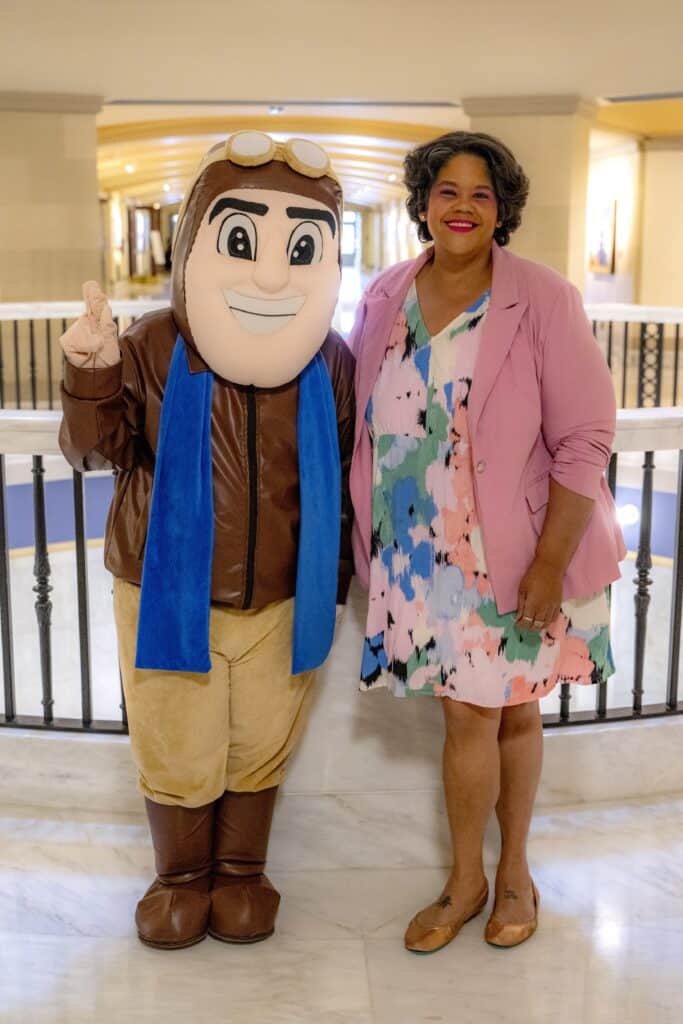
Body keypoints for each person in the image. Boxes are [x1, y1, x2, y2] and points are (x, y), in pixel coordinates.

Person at [58, 132, 354, 950]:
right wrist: (92, 374)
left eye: (297, 247)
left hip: (281, 595)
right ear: (196, 241)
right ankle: (182, 876)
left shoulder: (330, 360)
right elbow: (94, 451)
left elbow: (343, 470)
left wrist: (329, 585)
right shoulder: (154, 344)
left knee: (260, 744)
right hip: (166, 589)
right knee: (176, 742)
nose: (268, 274)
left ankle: (242, 873)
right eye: (239, 240)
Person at [348, 131, 625, 952]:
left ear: (500, 210)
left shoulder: (542, 297)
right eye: (446, 190)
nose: (461, 206)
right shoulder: (382, 294)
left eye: (480, 193)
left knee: (506, 717)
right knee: (466, 717)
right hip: (414, 557)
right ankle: (470, 878)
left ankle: (509, 875)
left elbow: (584, 437)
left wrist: (547, 564)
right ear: (422, 203)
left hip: (511, 551)